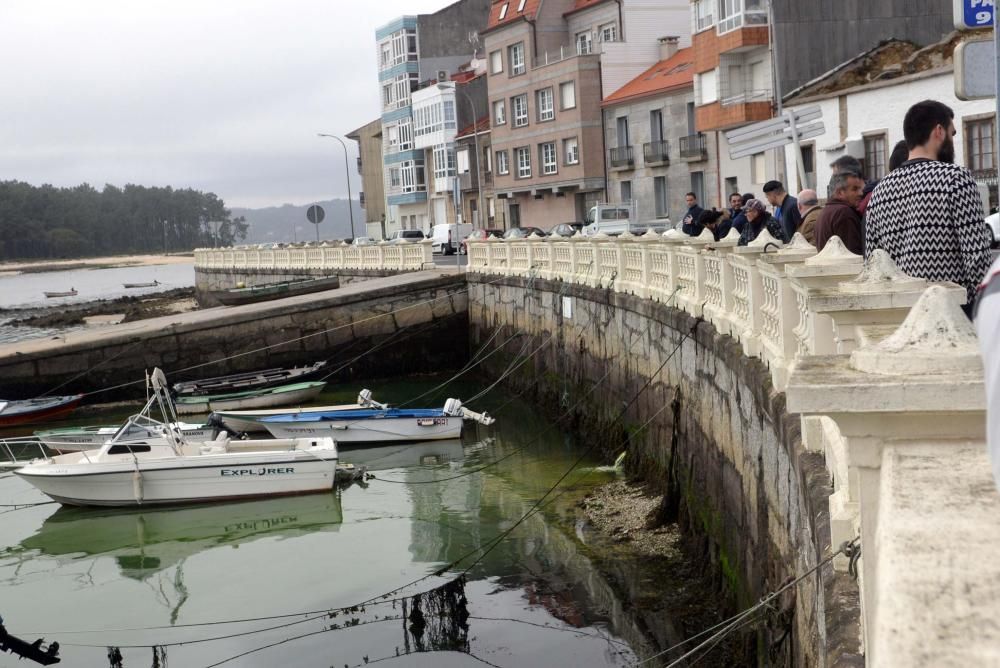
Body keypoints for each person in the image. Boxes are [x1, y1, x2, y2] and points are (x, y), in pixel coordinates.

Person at [866, 99, 992, 312]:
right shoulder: (955, 179)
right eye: (953, 134)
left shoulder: (880, 191)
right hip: (953, 312)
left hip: (903, 316)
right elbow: (977, 258)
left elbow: (873, 265)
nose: (953, 141)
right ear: (939, 131)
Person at [815, 172, 865, 254]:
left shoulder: (826, 210)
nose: (860, 193)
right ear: (840, 192)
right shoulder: (844, 213)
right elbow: (853, 257)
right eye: (855, 189)